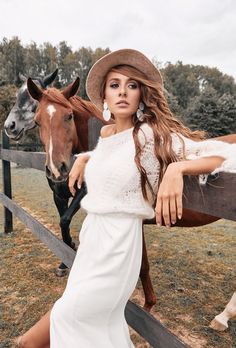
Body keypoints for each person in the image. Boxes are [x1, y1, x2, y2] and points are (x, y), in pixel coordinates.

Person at [15, 49, 236, 348]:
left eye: (131, 85)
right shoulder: (106, 135)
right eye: (114, 85)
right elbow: (117, 156)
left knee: (34, 340)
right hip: (91, 246)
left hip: (117, 250)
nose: (123, 92)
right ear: (104, 96)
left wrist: (177, 167)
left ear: (141, 94)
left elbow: (221, 154)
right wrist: (86, 158)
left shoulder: (150, 134)